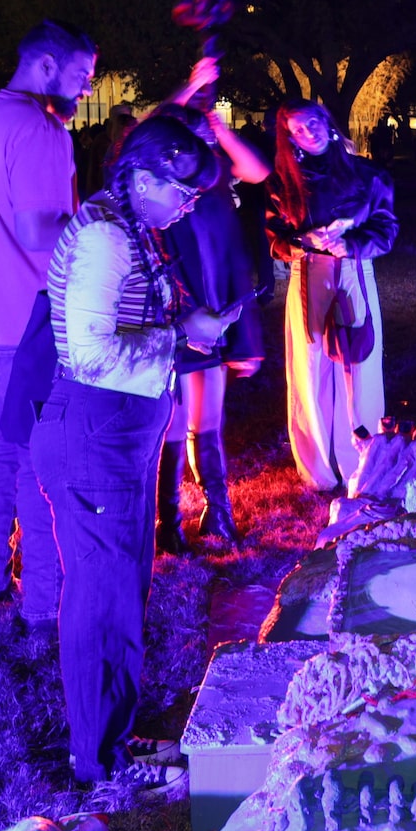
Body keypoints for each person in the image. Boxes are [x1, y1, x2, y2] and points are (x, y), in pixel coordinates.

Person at [31, 115, 234, 789]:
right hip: (96, 430)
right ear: (144, 179)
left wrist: (183, 331)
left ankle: (113, 738)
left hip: (119, 430)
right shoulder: (104, 240)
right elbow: (90, 355)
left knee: (122, 587)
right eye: (183, 191)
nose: (190, 203)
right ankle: (96, 758)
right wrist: (183, 335)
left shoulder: (131, 229)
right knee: (101, 595)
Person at [0, 19, 96, 629]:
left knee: (0, 451)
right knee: (41, 465)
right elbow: (40, 230)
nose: (86, 88)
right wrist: (102, 228)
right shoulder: (39, 127)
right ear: (46, 66)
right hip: (27, 321)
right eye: (82, 75)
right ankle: (45, 603)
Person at [150, 70, 270, 549]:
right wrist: (187, 86)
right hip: (178, 303)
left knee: (210, 420)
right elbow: (147, 130)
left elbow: (258, 171)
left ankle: (217, 513)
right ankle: (169, 523)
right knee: (175, 422)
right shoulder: (161, 169)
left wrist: (217, 129)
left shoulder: (217, 166)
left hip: (218, 297)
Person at [266, 100, 396, 495]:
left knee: (361, 366)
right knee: (311, 369)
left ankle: (362, 457)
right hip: (308, 280)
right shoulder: (282, 184)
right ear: (289, 136)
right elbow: (276, 240)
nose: (311, 132)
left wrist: (350, 243)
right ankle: (320, 467)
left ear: (327, 122)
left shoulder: (368, 175)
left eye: (314, 123)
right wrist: (301, 243)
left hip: (354, 273)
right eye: (299, 129)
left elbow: (386, 230)